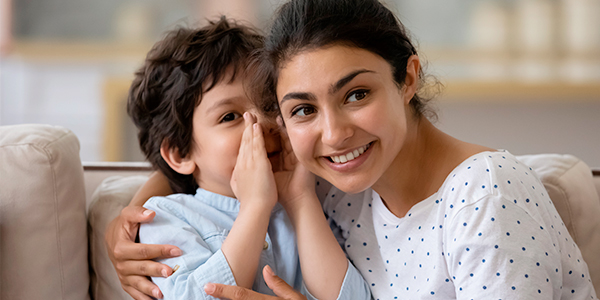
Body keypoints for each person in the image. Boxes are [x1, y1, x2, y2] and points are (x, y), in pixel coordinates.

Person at [107, 1, 598, 299]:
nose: (335, 134)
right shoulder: (338, 189)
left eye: (357, 94)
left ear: (407, 77)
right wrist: (132, 217)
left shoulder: (487, 193)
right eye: (302, 110)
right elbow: (207, 183)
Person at [117, 16, 369, 300]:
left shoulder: (316, 196)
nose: (262, 123)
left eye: (269, 104)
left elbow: (354, 298)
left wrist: (300, 199)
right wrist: (255, 207)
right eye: (230, 116)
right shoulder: (166, 217)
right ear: (180, 153)